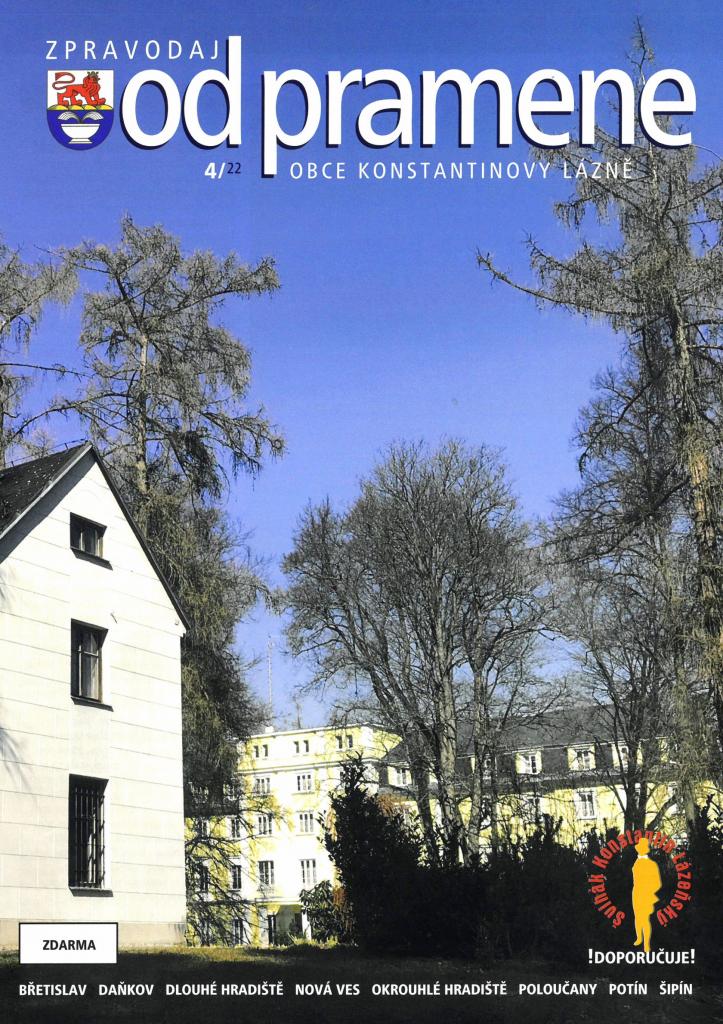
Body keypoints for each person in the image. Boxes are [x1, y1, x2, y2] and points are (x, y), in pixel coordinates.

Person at [632, 837, 662, 952]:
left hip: (645, 894)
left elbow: (657, 883)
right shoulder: (636, 862)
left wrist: (648, 891)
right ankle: (639, 938)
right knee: (637, 917)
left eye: (642, 848)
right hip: (636, 893)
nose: (640, 850)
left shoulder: (651, 864)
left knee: (644, 919)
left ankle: (646, 944)